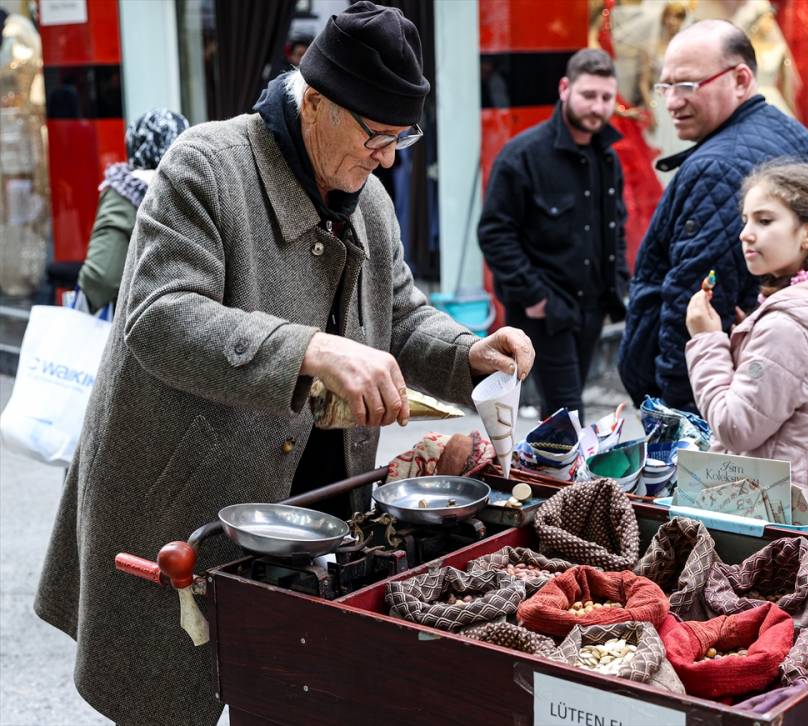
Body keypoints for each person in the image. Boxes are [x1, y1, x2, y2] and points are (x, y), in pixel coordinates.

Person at [33, 4, 534, 725]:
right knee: (175, 692)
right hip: (191, 492)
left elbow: (401, 313)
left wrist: (467, 353)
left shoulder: (371, 199)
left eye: (403, 137)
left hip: (317, 499)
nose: (389, 156)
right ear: (316, 99)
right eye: (378, 135)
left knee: (294, 685)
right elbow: (159, 316)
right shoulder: (205, 165)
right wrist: (308, 348)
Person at [618, 19, 808, 414]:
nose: (672, 101)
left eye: (687, 85)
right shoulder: (800, 138)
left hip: (726, 399)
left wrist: (677, 410)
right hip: (785, 385)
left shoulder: (718, 168)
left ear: (741, 80)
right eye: (666, 86)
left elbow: (693, 300)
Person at [684, 162, 808, 538]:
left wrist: (706, 340)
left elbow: (735, 428)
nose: (746, 234)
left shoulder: (787, 327)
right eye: (745, 220)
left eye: (764, 221)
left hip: (776, 526)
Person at [478, 48, 628, 422]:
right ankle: (568, 479)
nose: (598, 107)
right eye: (589, 95)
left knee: (561, 412)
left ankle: (549, 475)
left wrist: (620, 282)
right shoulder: (523, 155)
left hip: (592, 307)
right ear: (565, 88)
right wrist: (535, 297)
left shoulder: (607, 157)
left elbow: (616, 227)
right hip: (544, 309)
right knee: (568, 412)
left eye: (606, 98)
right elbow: (495, 233)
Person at [77, 109, 189, 311]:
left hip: (143, 327)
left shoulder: (127, 191)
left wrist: (84, 302)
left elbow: (102, 276)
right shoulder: (199, 189)